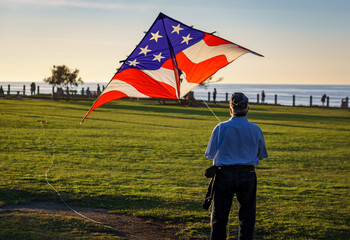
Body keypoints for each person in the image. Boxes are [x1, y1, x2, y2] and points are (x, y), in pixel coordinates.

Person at [204, 92, 268, 240]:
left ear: (230, 109)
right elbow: (261, 155)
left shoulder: (220, 128)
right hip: (248, 175)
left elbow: (210, 154)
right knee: (247, 218)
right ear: (247, 109)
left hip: (224, 175)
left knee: (219, 217)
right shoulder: (255, 129)